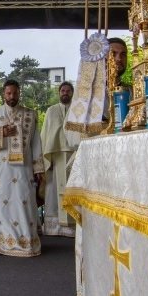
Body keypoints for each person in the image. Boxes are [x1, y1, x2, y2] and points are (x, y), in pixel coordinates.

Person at [0, 79, 44, 257]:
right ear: (3, 94)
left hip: (24, 168)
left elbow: (36, 143)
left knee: (23, 201)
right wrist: (0, 133)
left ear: (19, 93)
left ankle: (25, 242)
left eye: (15, 93)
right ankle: (2, 242)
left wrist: (39, 169)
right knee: (1, 203)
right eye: (8, 93)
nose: (12, 96)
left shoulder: (30, 115)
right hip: (1, 168)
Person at [40, 81, 81, 237]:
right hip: (56, 156)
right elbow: (45, 135)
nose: (65, 93)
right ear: (59, 93)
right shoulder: (51, 111)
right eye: (63, 90)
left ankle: (73, 225)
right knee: (54, 190)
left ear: (72, 93)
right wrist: (45, 159)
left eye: (68, 91)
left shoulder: (78, 111)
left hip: (73, 154)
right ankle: (54, 227)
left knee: (73, 188)